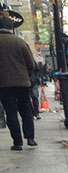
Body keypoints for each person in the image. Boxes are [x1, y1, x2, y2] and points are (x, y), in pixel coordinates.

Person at [0, 11, 37, 150]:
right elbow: (31, 64)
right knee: (26, 109)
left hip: (4, 84)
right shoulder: (20, 42)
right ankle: (30, 138)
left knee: (11, 112)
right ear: (11, 28)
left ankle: (17, 142)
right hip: (22, 82)